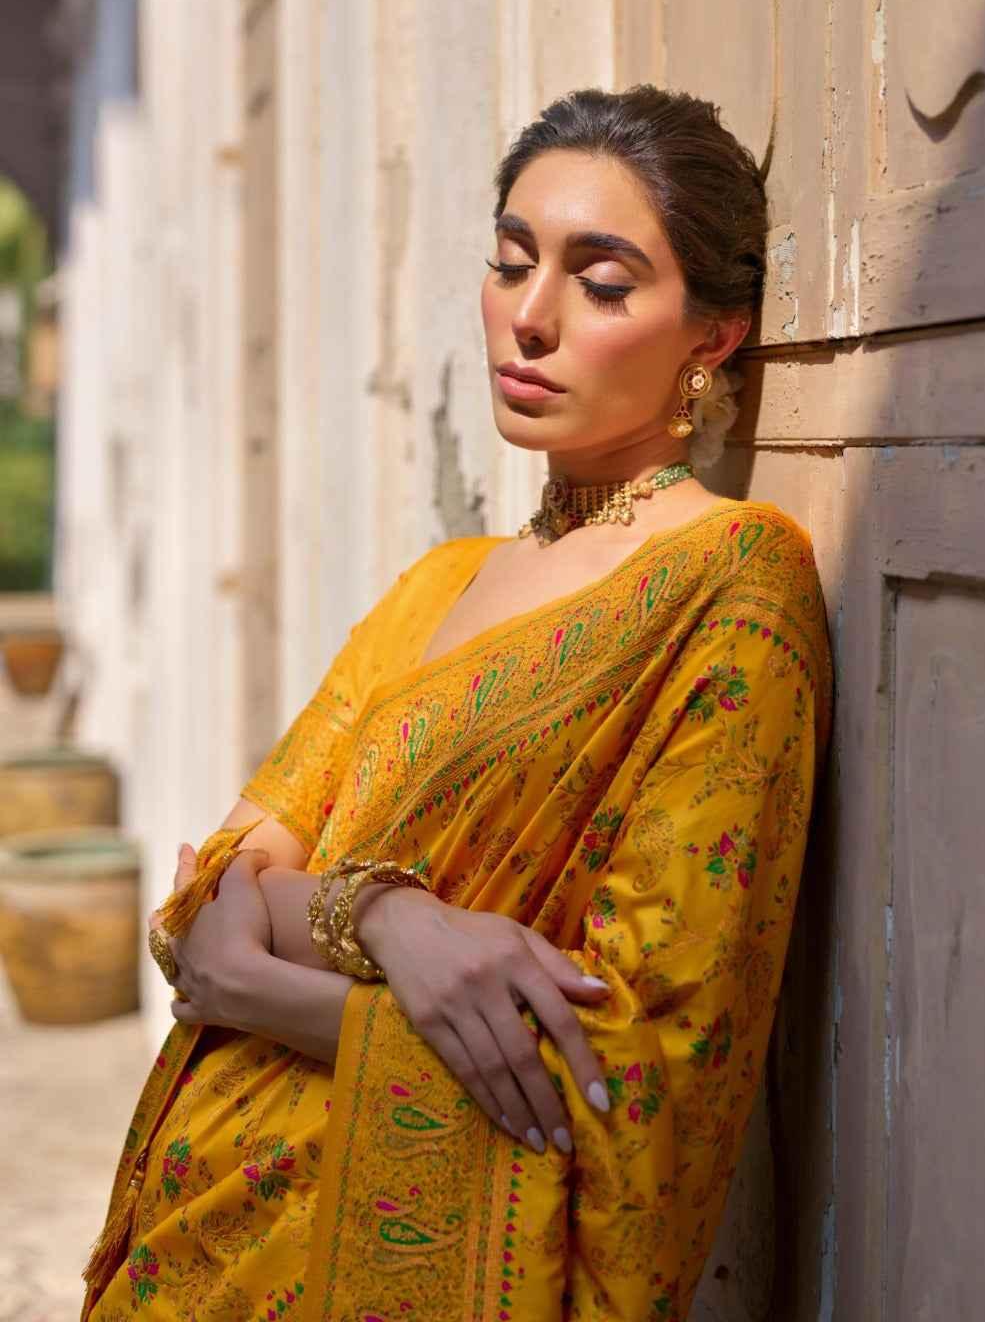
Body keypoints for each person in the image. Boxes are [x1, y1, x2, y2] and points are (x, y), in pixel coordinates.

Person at [83, 84, 833, 1322]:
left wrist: (275, 988)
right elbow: (212, 886)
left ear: (712, 336)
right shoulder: (439, 585)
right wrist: (389, 923)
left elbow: (642, 1071)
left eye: (601, 284)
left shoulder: (732, 587)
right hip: (202, 1239)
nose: (528, 318)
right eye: (509, 261)